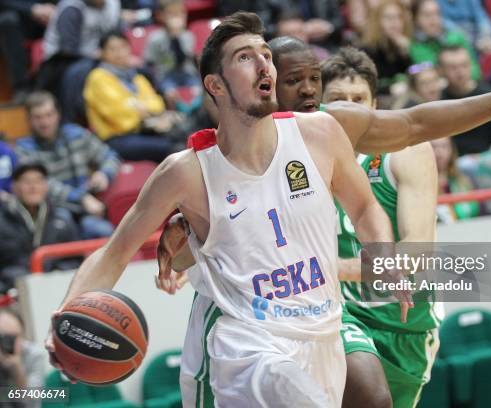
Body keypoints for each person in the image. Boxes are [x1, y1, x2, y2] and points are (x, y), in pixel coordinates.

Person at [157, 33, 491, 405]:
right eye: (295, 82)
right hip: (303, 314)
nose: (310, 93)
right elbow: (192, 248)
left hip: (396, 318)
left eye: (317, 83)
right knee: (367, 393)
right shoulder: (237, 151)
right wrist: (182, 240)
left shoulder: (334, 130)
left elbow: (418, 125)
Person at [47, 13, 408, 407]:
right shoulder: (185, 172)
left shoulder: (319, 133)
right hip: (247, 348)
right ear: (215, 85)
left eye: (265, 54)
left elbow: (366, 208)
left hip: (322, 334)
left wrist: (382, 253)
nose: (263, 64)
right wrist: (65, 316)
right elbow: (114, 252)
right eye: (244, 57)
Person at [321, 47, 439, 408]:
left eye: (358, 99)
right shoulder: (303, 154)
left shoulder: (405, 150)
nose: (349, 109)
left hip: (401, 325)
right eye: (337, 99)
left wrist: (335, 270)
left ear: (374, 106)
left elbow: (418, 250)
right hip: (335, 316)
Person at [16, 91, 118, 239]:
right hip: (51, 212)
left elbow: (110, 156)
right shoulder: (23, 149)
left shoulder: (76, 134)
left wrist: (104, 173)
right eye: (38, 117)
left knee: (104, 231)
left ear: (58, 114)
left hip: (88, 208)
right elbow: (42, 185)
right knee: (64, 228)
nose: (45, 122)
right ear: (29, 120)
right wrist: (81, 198)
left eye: (49, 115)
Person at [84, 31, 183, 162]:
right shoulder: (97, 77)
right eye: (112, 49)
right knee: (172, 148)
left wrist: (137, 107)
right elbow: (119, 116)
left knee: (184, 135)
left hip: (144, 131)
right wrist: (142, 110)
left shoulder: (136, 76)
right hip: (116, 139)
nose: (119, 53)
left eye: (123, 47)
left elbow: (157, 105)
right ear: (102, 53)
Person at [0, 163, 80, 293]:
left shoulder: (62, 218)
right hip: (14, 293)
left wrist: (57, 275)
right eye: (27, 182)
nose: (33, 187)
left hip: (58, 290)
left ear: (46, 186)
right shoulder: (2, 221)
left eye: (39, 181)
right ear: (13, 186)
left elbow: (76, 260)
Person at [36, 0, 121, 97]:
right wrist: (98, 55)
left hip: (98, 55)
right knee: (84, 69)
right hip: (60, 62)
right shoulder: (72, 8)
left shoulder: (113, 4)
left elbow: (116, 36)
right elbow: (68, 50)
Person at [143, 0, 202, 114]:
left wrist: (176, 38)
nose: (177, 18)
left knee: (199, 91)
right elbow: (149, 63)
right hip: (165, 75)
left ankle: (194, 113)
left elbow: (184, 59)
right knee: (169, 93)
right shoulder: (155, 38)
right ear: (161, 16)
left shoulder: (188, 36)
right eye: (172, 14)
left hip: (187, 73)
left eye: (181, 13)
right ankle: (174, 115)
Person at [438, 46, 491, 155]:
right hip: (451, 162)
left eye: (464, 65)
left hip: (486, 159)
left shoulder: (489, 95)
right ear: (441, 70)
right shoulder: (438, 99)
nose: (460, 72)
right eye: (452, 68)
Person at [0, 308, 46, 408]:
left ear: (23, 335)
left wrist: (17, 369)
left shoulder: (34, 355)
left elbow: (34, 403)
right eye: (3, 337)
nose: (7, 343)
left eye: (13, 337)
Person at [431, 136, 480, 222]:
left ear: (452, 150)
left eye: (444, 146)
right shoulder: (421, 186)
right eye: (433, 147)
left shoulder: (464, 181)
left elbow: (478, 211)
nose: (439, 153)